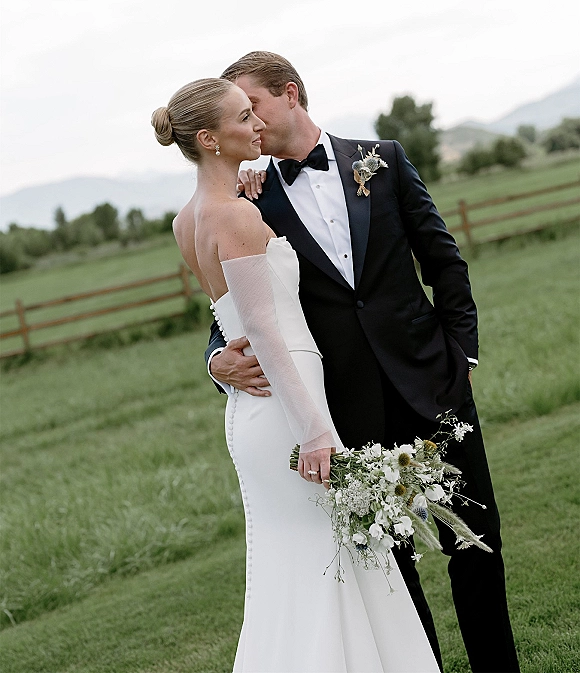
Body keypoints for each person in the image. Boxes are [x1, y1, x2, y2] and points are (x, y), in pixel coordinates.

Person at [206, 52, 520, 673]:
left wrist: (463, 354)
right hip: (345, 405)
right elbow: (228, 306)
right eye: (239, 114)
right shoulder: (252, 201)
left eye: (254, 107)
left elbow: (444, 260)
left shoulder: (386, 158)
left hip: (434, 382)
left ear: (290, 93)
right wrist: (218, 361)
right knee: (387, 568)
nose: (250, 124)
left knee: (476, 544)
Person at [152, 78, 441, 672]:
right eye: (242, 118)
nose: (257, 125)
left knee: (299, 565)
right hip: (289, 405)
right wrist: (315, 431)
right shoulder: (234, 217)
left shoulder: (190, 219)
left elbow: (228, 314)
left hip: (255, 408)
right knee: (327, 561)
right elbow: (266, 335)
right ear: (209, 139)